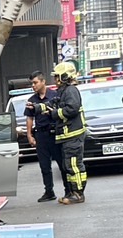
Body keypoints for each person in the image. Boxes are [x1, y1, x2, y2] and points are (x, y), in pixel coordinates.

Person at [33, 61, 86, 204]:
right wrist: (38, 108)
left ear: (64, 76)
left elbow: (72, 109)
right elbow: (53, 104)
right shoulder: (63, 91)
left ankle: (78, 194)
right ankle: (72, 192)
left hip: (73, 135)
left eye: (57, 77)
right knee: (68, 166)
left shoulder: (71, 91)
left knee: (74, 166)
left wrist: (55, 114)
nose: (55, 80)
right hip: (67, 137)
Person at [23, 71, 62, 202]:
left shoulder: (55, 95)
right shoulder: (32, 100)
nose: (33, 86)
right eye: (32, 84)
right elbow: (29, 118)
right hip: (40, 135)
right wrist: (29, 135)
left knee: (62, 164)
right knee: (45, 166)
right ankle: (49, 191)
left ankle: (68, 190)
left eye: (35, 83)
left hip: (55, 134)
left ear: (43, 81)